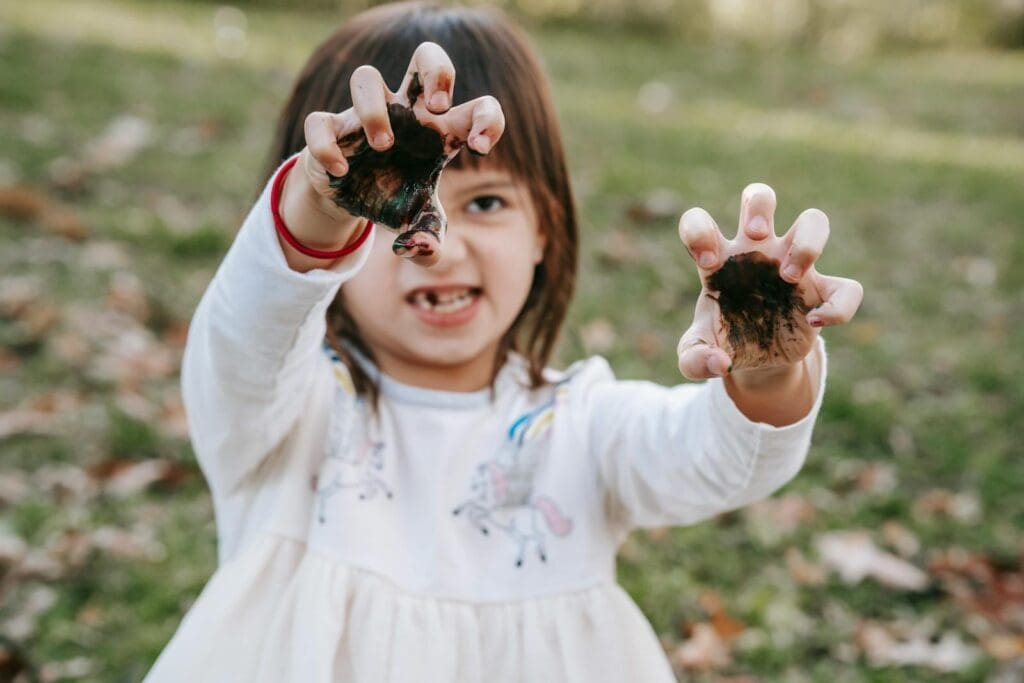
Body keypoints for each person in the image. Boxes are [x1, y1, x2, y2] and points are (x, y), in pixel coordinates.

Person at [145, 2, 863, 681]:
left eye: (486, 202)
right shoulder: (283, 410)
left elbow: (715, 459)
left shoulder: (580, 424)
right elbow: (244, 336)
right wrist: (321, 204)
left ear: (545, 228)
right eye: (390, 198)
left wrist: (768, 367)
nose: (442, 243)